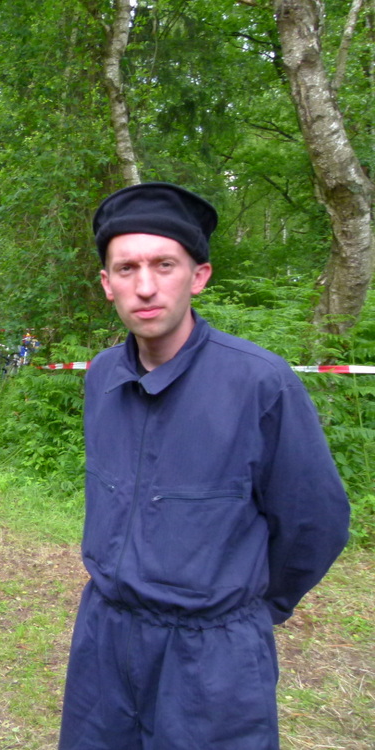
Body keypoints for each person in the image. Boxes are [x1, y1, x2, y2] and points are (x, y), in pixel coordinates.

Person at [59, 183, 351, 749]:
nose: (145, 286)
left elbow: (315, 522)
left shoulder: (259, 383)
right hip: (105, 641)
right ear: (107, 284)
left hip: (212, 659)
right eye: (127, 268)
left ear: (199, 276)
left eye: (164, 265)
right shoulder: (102, 377)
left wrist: (248, 610)